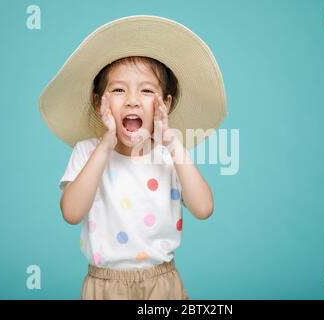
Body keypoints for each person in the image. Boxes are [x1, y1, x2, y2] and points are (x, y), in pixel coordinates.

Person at [38, 15, 227, 300]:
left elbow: (203, 208)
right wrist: (104, 146)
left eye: (147, 91)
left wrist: (173, 145)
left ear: (165, 104)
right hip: (104, 285)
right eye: (118, 90)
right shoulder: (88, 152)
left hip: (162, 282)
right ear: (97, 102)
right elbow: (71, 212)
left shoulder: (169, 155)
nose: (132, 100)